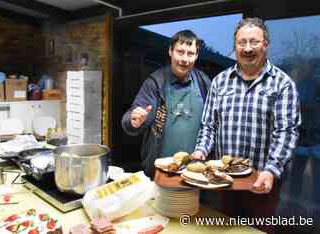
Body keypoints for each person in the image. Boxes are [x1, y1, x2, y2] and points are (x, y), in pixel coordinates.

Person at [193, 18, 301, 233]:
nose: (248, 48)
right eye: (242, 42)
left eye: (254, 41)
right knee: (224, 227)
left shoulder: (283, 83)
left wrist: (271, 170)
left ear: (265, 45)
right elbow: (209, 125)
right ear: (235, 46)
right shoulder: (220, 81)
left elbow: (286, 132)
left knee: (259, 230)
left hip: (262, 179)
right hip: (224, 180)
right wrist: (201, 150)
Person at [122, 30, 211, 177]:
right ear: (170, 51)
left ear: (196, 55)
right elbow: (132, 118)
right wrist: (133, 121)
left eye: (190, 53)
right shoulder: (156, 82)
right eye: (180, 52)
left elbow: (211, 123)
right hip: (160, 172)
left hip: (194, 172)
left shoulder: (203, 82)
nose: (185, 59)